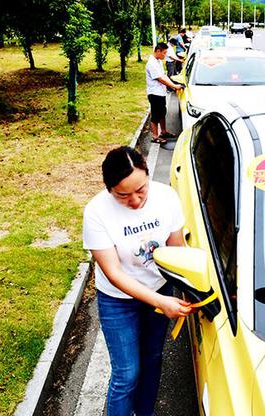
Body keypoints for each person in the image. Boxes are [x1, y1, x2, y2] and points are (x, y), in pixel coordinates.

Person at [83, 146, 193, 416]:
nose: (135, 201)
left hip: (160, 289)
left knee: (152, 359)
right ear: (109, 189)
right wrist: (161, 301)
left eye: (141, 189)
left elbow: (177, 249)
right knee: (127, 373)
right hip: (118, 301)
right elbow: (113, 272)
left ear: (147, 174)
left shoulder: (166, 197)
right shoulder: (96, 212)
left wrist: (192, 286)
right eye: (123, 195)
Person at [146, 42, 183, 143]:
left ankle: (163, 131)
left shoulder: (158, 61)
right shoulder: (151, 63)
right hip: (155, 93)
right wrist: (174, 86)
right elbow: (160, 79)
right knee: (156, 115)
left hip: (160, 92)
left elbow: (164, 76)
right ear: (158, 51)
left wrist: (174, 84)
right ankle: (155, 136)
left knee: (162, 112)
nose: (165, 55)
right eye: (164, 53)